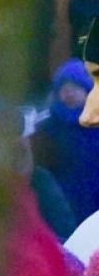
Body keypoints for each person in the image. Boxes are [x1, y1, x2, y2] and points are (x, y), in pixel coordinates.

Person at [33, 60, 99, 221]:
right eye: (64, 88)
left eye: (75, 87)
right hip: (60, 203)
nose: (69, 93)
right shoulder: (48, 128)